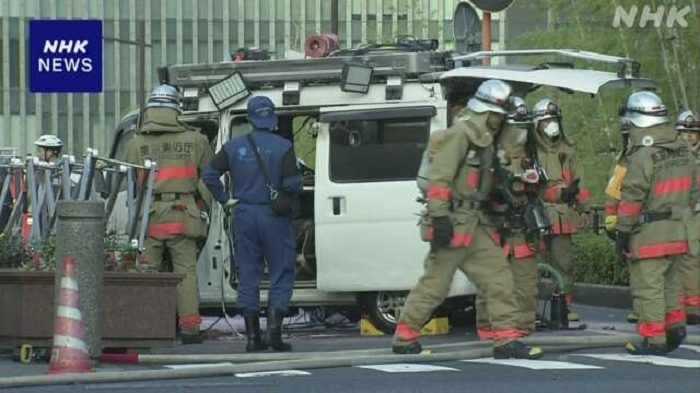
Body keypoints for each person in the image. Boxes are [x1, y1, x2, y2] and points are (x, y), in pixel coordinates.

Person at [394, 80, 543, 359]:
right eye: (499, 115)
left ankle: (506, 340)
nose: (501, 121)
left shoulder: (483, 140)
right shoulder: (461, 134)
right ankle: (404, 336)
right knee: (436, 284)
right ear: (489, 112)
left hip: (473, 224)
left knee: (498, 277)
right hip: (452, 223)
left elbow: (482, 183)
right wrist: (439, 218)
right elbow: (440, 177)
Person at [202, 96, 302, 352]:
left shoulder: (234, 146)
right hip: (274, 217)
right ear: (272, 119)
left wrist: (225, 199)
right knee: (281, 270)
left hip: (243, 214)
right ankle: (274, 334)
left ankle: (252, 338)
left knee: (248, 273)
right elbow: (293, 185)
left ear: (249, 118)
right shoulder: (284, 146)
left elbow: (209, 174)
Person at [126, 84, 213, 344]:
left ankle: (147, 325)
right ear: (177, 108)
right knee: (185, 272)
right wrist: (200, 207)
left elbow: (131, 183)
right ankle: (189, 329)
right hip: (183, 214)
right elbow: (209, 179)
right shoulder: (196, 140)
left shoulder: (135, 143)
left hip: (149, 216)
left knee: (147, 273)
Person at [615, 92, 697, 355]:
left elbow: (631, 199)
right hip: (678, 231)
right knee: (671, 283)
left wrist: (622, 232)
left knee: (648, 287)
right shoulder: (683, 151)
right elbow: (694, 193)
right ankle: (675, 327)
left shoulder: (642, 156)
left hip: (648, 233)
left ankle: (654, 340)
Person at [475, 97, 545, 339]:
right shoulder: (487, 154)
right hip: (495, 231)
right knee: (492, 286)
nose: (520, 135)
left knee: (526, 286)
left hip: (523, 232)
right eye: (516, 128)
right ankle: (487, 331)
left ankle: (522, 331)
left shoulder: (533, 156)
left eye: (524, 128)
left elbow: (544, 190)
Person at [530, 99, 590, 322]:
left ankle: (563, 306)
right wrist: (556, 194)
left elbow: (580, 183)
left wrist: (584, 209)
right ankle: (530, 308)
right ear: (537, 124)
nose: (551, 125)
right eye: (546, 121)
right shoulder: (530, 151)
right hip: (536, 217)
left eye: (554, 120)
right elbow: (529, 188)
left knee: (563, 264)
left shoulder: (568, 150)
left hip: (563, 218)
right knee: (531, 265)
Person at [674, 110, 700, 325]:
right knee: (682, 259)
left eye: (693, 132)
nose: (689, 136)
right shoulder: (672, 158)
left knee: (691, 259)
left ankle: (692, 306)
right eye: (685, 132)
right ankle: (686, 306)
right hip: (680, 214)